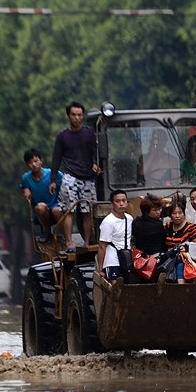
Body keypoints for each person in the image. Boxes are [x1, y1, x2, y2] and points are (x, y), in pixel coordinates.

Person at [51, 101, 100, 251]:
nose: (77, 118)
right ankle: (69, 242)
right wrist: (53, 180)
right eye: (74, 115)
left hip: (88, 177)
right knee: (69, 210)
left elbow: (96, 152)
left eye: (79, 115)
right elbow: (56, 158)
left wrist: (95, 164)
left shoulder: (89, 133)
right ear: (68, 116)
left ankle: (86, 242)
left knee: (87, 212)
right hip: (70, 176)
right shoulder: (62, 136)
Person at [19, 148, 68, 245]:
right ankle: (46, 231)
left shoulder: (52, 174)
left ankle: (67, 237)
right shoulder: (26, 178)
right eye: (30, 162)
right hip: (42, 213)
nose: (33, 164)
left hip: (56, 207)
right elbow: (23, 187)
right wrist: (25, 190)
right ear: (27, 165)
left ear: (41, 161)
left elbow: (66, 181)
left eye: (36, 161)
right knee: (40, 206)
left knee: (56, 210)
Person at [96, 189, 134, 282]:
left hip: (126, 259)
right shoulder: (108, 222)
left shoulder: (129, 218)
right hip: (112, 260)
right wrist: (100, 269)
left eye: (124, 201)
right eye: (118, 201)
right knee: (115, 287)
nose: (121, 204)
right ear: (112, 204)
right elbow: (102, 246)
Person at [164, 202, 196, 283]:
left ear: (184, 213)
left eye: (180, 213)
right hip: (170, 261)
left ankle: (181, 288)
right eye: (174, 213)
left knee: (180, 264)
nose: (177, 216)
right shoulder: (167, 227)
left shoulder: (191, 227)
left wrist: (186, 247)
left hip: (185, 261)